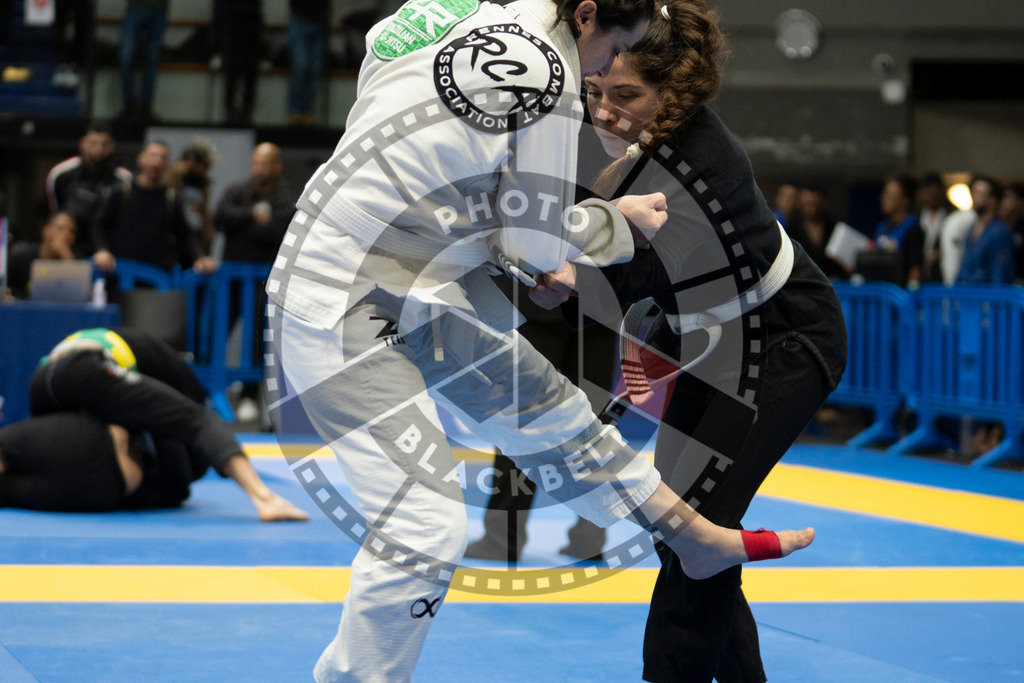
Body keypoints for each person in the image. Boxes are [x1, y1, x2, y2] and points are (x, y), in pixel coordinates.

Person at [265, 0, 815, 680]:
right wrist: (619, 221)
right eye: (616, 48)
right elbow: (537, 241)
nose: (609, 67)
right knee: (424, 529)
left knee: (550, 406)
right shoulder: (548, 75)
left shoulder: (448, 9)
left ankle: (693, 536)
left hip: (420, 275)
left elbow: (384, 51)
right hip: (342, 292)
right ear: (585, 16)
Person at [577, 2, 846, 680]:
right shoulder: (623, 153)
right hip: (712, 341)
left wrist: (559, 260)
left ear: (674, 95)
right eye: (595, 93)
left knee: (698, 524)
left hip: (787, 337)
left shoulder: (696, 163)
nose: (606, 112)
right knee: (690, 533)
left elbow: (629, 271)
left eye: (627, 96)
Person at [0, 326, 308, 521]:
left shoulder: (147, 379)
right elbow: (195, 420)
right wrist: (260, 493)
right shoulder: (176, 387)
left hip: (44, 384)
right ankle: (264, 498)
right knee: (191, 426)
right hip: (78, 370)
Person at [213, 142, 296, 422]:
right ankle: (207, 390)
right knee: (214, 332)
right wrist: (251, 216)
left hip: (265, 283)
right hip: (231, 280)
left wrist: (246, 228)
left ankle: (250, 396)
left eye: (265, 163)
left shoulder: (285, 197)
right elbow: (221, 217)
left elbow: (278, 229)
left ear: (277, 166)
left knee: (257, 341)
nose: (259, 168)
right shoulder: (237, 191)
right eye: (256, 163)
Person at [91, 141, 217, 275]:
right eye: (152, 156)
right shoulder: (121, 191)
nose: (156, 162)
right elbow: (99, 225)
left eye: (162, 158)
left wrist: (199, 257)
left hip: (156, 275)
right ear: (141, 159)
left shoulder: (171, 198)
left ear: (167, 164)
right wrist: (102, 250)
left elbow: (185, 234)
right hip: (120, 272)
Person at [45, 120, 133, 257]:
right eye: (93, 143)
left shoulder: (124, 179)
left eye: (104, 144)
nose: (98, 150)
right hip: (71, 249)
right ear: (83, 143)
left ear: (112, 146)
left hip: (109, 252)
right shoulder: (61, 174)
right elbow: (55, 214)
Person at [213, 0, 265, 126]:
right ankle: (230, 112)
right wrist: (216, 49)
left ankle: (247, 112)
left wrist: (263, 53)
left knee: (249, 76)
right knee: (231, 75)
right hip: (232, 34)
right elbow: (218, 15)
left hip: (250, 35)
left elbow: (259, 19)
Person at [956, 175, 1015, 285]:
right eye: (973, 192)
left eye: (980, 194)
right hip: (966, 293)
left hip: (986, 295)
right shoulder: (971, 227)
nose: (974, 197)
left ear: (992, 200)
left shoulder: (1000, 231)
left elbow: (1000, 272)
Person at [6, 212, 78, 298]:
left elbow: (79, 293)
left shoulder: (74, 260)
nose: (66, 234)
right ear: (46, 231)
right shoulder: (20, 257)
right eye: (60, 228)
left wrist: (67, 256)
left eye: (71, 231)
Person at [119, 0, 169, 122]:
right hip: (136, 5)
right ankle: (129, 105)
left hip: (159, 8)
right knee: (126, 57)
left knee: (152, 60)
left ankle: (146, 107)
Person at [871, 173, 924, 287]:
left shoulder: (913, 229)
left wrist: (911, 294)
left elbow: (915, 268)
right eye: (884, 194)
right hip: (880, 293)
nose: (885, 198)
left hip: (899, 295)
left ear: (905, 200)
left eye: (892, 195)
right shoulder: (882, 227)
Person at [167, 137, 218, 253]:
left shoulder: (202, 184)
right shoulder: (171, 178)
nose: (206, 169)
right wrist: (176, 174)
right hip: (172, 242)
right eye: (204, 164)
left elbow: (204, 215)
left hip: (194, 240)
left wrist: (207, 241)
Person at [287, 0, 329, 126]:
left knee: (315, 69)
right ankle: (295, 110)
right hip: (300, 19)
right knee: (302, 66)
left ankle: (307, 112)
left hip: (319, 21)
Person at [917, 172, 950, 282]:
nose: (929, 196)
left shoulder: (950, 216)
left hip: (940, 275)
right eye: (926, 192)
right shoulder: (917, 217)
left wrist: (943, 253)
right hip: (920, 272)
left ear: (941, 191)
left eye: (933, 192)